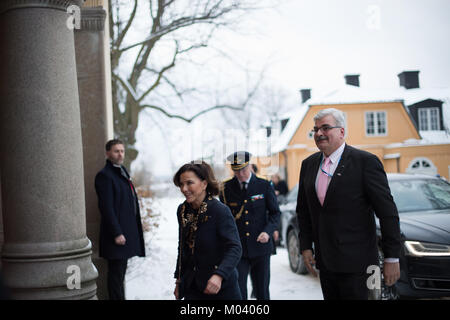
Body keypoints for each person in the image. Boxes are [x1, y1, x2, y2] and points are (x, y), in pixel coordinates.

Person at [296, 108, 402, 300]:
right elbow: (303, 211)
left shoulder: (365, 162)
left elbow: (387, 213)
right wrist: (305, 247)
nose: (319, 133)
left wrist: (392, 257)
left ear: (342, 132)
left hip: (361, 266)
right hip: (326, 264)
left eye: (325, 128)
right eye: (316, 129)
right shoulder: (309, 165)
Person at [173, 161, 242, 300]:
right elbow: (183, 248)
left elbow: (235, 248)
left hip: (221, 288)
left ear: (204, 184)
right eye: (181, 184)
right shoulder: (183, 210)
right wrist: (179, 280)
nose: (184, 188)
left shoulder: (219, 210)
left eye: (189, 183)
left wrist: (219, 275)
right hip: (193, 287)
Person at [220, 151, 280, 300]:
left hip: (261, 247)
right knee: (238, 291)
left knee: (262, 291)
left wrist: (268, 231)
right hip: (238, 249)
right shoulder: (226, 189)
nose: (240, 174)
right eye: (236, 171)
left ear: (250, 167)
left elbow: (275, 213)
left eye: (243, 170)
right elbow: (222, 219)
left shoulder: (264, 185)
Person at [94, 139, 145, 300]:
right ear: (107, 153)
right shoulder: (105, 176)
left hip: (125, 233)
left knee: (120, 274)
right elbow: (106, 208)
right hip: (116, 235)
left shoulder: (122, 172)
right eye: (116, 151)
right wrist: (117, 233)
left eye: (122, 151)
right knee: (116, 275)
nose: (120, 154)